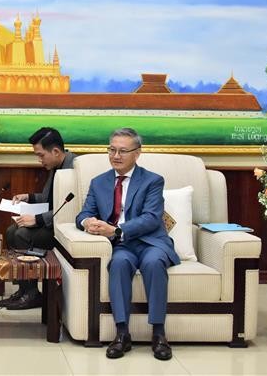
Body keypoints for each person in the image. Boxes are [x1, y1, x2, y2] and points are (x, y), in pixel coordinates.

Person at [76, 128, 180, 361]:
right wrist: (88, 222)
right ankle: (122, 334)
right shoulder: (99, 182)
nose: (116, 156)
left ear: (137, 153)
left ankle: (159, 334)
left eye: (123, 151)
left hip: (150, 242)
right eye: (112, 150)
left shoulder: (152, 180)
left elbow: (152, 217)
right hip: (121, 246)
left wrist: (118, 230)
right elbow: (84, 212)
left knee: (154, 264)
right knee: (119, 264)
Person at [0, 127, 75, 310]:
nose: (39, 160)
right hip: (52, 222)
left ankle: (32, 294)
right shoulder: (56, 165)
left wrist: (37, 220)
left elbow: (70, 207)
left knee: (22, 234)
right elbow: (49, 198)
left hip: (64, 228)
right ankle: (25, 290)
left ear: (55, 151)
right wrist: (29, 197)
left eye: (41, 155)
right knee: (11, 231)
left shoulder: (73, 168)